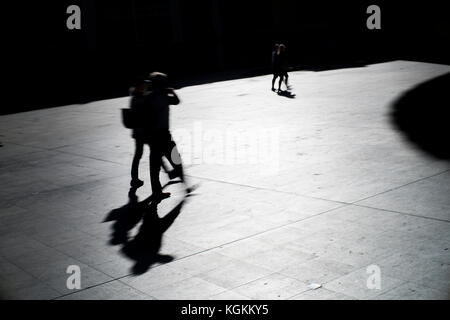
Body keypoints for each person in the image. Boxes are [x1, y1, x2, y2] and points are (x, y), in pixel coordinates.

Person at [144, 72, 186, 200]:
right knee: (175, 160)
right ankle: (185, 185)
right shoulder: (163, 96)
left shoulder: (149, 97)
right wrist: (172, 92)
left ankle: (157, 192)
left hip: (154, 135)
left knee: (155, 166)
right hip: (162, 134)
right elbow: (177, 101)